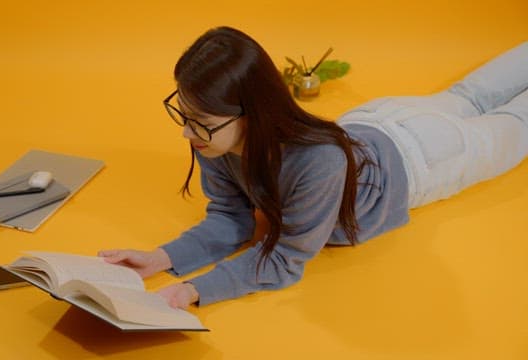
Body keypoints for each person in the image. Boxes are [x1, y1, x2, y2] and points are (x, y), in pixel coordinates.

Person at [99, 26, 528, 309]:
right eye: (184, 114)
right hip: (374, 120)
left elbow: (286, 258)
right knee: (470, 94)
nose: (187, 134)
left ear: (253, 113)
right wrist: (159, 260)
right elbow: (232, 218)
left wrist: (193, 291)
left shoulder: (317, 162)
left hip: (428, 158)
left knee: (515, 121)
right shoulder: (214, 141)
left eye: (201, 123)